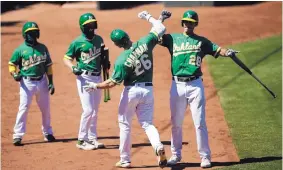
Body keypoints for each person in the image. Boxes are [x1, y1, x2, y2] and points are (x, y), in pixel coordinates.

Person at [83, 11, 171, 168]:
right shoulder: (145, 42)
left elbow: (112, 82)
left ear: (117, 45)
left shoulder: (121, 61)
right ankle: (157, 146)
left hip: (131, 92)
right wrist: (151, 17)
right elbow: (160, 28)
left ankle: (125, 159)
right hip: (148, 90)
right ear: (127, 36)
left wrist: (95, 85)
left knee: (124, 124)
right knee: (148, 124)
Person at [158, 10, 239, 168]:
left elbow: (218, 49)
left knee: (199, 122)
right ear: (182, 23)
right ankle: (176, 155)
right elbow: (156, 35)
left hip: (195, 85)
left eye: (191, 22)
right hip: (177, 85)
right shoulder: (172, 39)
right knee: (176, 123)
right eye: (186, 22)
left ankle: (205, 156)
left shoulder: (202, 41)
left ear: (195, 24)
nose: (188, 24)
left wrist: (227, 52)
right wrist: (161, 19)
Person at [63, 13, 110, 150]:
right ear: (82, 27)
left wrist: (106, 63)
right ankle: (81, 140)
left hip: (97, 77)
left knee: (95, 110)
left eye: (93, 24)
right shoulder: (77, 42)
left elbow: (102, 55)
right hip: (85, 77)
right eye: (88, 25)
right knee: (88, 110)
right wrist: (72, 68)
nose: (91, 27)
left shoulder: (99, 39)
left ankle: (92, 138)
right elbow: (66, 58)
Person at [9, 21, 56, 146]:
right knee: (23, 108)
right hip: (26, 83)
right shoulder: (20, 50)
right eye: (29, 33)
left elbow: (48, 66)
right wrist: (14, 74)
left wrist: (51, 82)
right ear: (25, 35)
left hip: (42, 81)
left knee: (45, 109)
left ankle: (47, 132)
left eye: (35, 32)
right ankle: (17, 135)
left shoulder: (43, 48)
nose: (33, 35)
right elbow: (12, 64)